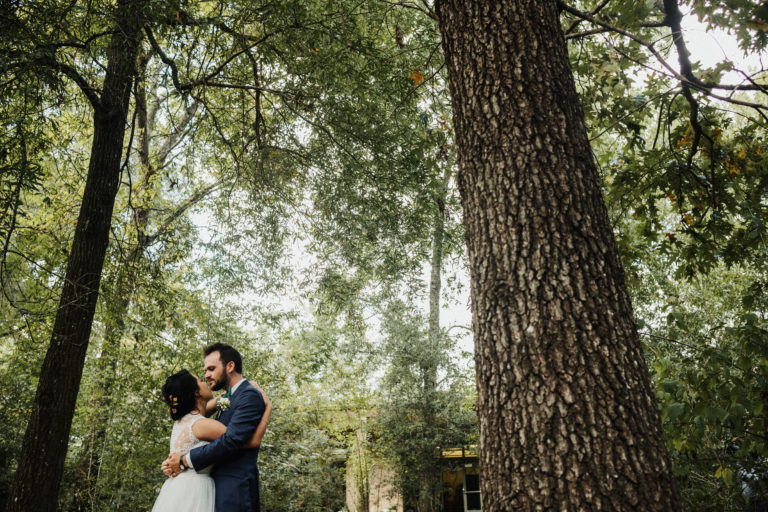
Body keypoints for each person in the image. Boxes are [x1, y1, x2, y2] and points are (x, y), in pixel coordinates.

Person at [162, 343, 267, 512]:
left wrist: (183, 460)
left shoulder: (248, 395)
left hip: (235, 489)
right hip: (210, 489)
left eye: (211, 369)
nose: (207, 375)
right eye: (204, 372)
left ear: (230, 366)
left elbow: (232, 439)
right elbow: (213, 408)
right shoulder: (225, 399)